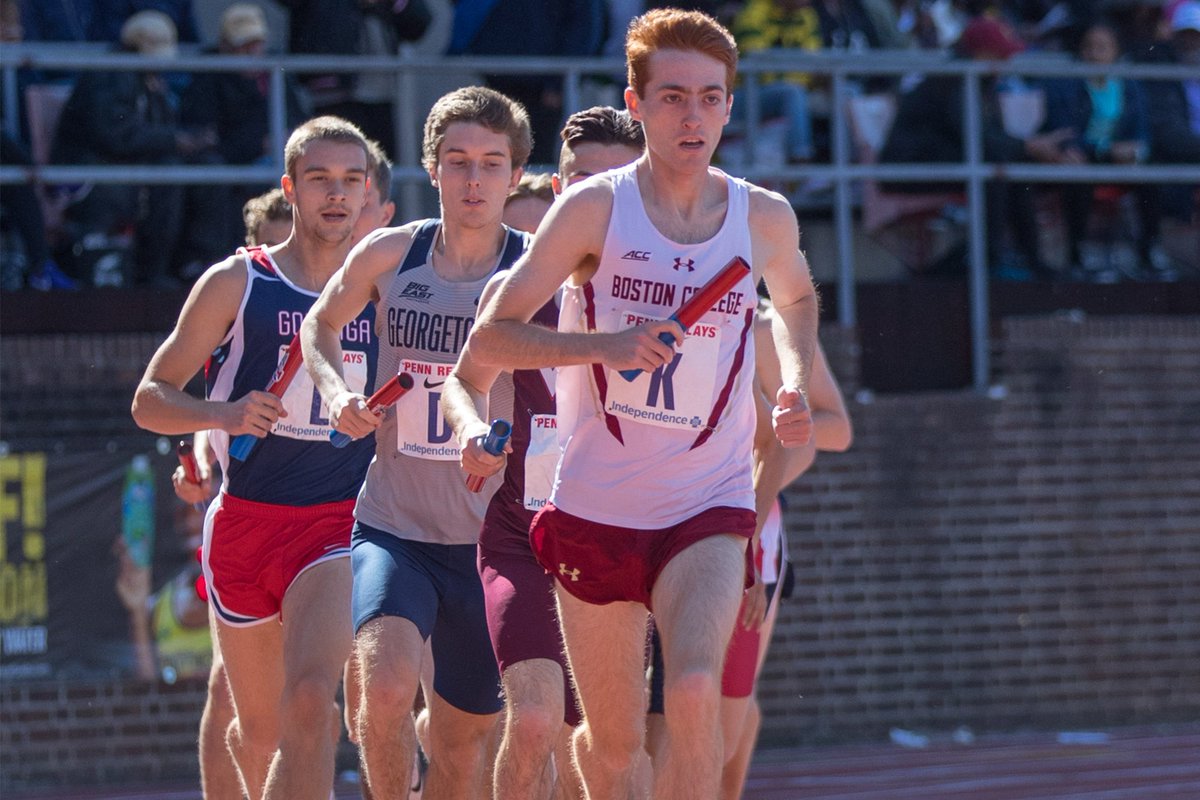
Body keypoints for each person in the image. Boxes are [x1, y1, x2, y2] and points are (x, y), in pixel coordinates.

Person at [463, 9, 820, 798]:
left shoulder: (763, 216)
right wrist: (604, 346)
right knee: (615, 749)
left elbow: (794, 300)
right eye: (671, 98)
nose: (692, 116)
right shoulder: (594, 209)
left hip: (708, 504)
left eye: (710, 97)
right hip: (595, 508)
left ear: (731, 104)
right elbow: (492, 338)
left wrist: (792, 377)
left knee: (694, 692)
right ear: (637, 102)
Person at [133, 115, 378, 800]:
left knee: (309, 703)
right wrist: (224, 414)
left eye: (351, 181)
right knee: (258, 732)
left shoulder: (383, 291)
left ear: (367, 194)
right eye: (321, 180)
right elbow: (149, 399)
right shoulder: (238, 283)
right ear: (290, 189)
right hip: (243, 525)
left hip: (336, 525)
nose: (337, 194)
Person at [301, 86, 532, 800]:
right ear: (431, 169)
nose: (473, 179)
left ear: (515, 176)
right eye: (458, 161)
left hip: (493, 543)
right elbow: (320, 326)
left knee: (461, 753)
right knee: (385, 687)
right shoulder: (391, 254)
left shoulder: (538, 272)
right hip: (395, 525)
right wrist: (336, 392)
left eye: (492, 164)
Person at [440, 104, 645, 800]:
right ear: (558, 193)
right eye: (583, 184)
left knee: (612, 751)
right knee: (532, 720)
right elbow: (463, 383)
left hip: (625, 538)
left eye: (616, 187)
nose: (598, 202)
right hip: (522, 535)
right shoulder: (518, 289)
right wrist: (471, 432)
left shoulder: (667, 293)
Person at [644, 295, 853, 800]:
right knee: (667, 697)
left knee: (720, 696)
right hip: (650, 518)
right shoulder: (630, 300)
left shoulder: (765, 326)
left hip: (746, 526)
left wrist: (763, 469)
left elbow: (836, 428)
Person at [878, 14, 1081, 279]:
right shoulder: (954, 79)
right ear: (982, 53)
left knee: (1007, 167)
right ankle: (984, 257)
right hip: (908, 168)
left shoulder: (980, 81)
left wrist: (1036, 149)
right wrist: (1030, 147)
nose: (1006, 61)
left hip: (946, 160)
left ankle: (1029, 259)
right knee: (992, 169)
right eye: (999, 54)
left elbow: (990, 138)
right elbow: (976, 136)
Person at [51, 9, 227, 286]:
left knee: (208, 167)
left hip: (134, 161)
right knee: (168, 173)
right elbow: (114, 136)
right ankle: (152, 271)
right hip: (95, 168)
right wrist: (174, 140)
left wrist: (186, 141)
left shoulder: (149, 78)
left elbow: (154, 131)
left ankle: (196, 263)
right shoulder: (111, 74)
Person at [1037, 20, 1168, 282]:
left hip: (1120, 159)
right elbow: (1065, 133)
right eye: (1089, 47)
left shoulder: (1129, 87)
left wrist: (1135, 149)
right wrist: (1105, 150)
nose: (1095, 53)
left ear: (1115, 52)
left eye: (1102, 47)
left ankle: (1149, 250)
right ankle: (1080, 253)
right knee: (1078, 173)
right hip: (1085, 156)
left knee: (1153, 171)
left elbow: (1141, 129)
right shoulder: (1066, 85)